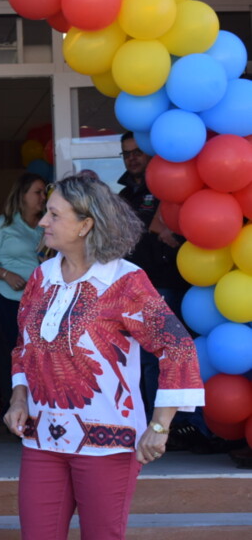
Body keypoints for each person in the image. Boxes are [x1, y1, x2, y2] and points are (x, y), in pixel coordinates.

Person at [3, 174, 204, 540]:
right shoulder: (40, 277)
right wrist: (19, 397)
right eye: (45, 213)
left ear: (85, 225)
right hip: (41, 439)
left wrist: (160, 426)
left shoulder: (125, 281)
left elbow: (177, 347)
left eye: (54, 214)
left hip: (108, 444)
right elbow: (24, 345)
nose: (43, 222)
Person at [118, 132, 186, 424]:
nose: (132, 157)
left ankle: (175, 425)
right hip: (131, 288)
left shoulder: (166, 187)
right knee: (143, 359)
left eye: (136, 152)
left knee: (170, 355)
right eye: (126, 153)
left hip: (165, 282)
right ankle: (147, 422)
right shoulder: (121, 197)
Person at [0, 172, 46, 412]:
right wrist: (6, 275)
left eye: (44, 192)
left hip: (41, 302)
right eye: (37, 192)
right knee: (12, 354)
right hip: (9, 299)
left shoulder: (47, 225)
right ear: (22, 195)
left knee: (39, 355)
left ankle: (38, 409)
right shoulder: (3, 224)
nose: (43, 197)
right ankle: (14, 411)